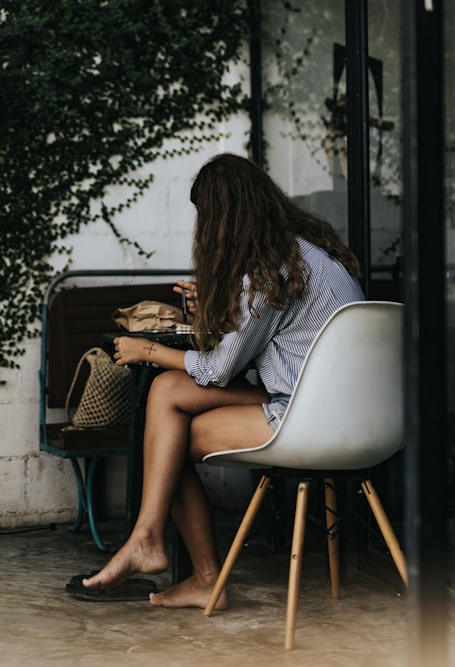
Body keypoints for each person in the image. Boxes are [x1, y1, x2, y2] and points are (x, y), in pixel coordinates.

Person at [81, 153, 365, 609]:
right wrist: (226, 304)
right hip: (357, 415)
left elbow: (218, 369)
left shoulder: (272, 274)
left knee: (168, 438)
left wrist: (146, 349)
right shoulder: (309, 254)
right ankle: (151, 541)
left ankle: (185, 564)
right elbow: (259, 345)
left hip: (309, 417)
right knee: (167, 392)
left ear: (224, 220)